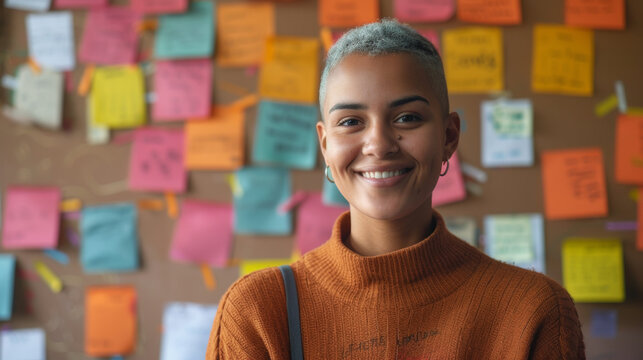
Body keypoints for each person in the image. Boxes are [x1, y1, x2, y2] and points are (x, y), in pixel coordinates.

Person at [206, 19, 585, 359]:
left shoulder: (531, 311)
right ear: (325, 146)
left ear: (449, 135)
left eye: (407, 118)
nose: (379, 144)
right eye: (351, 121)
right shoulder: (258, 312)